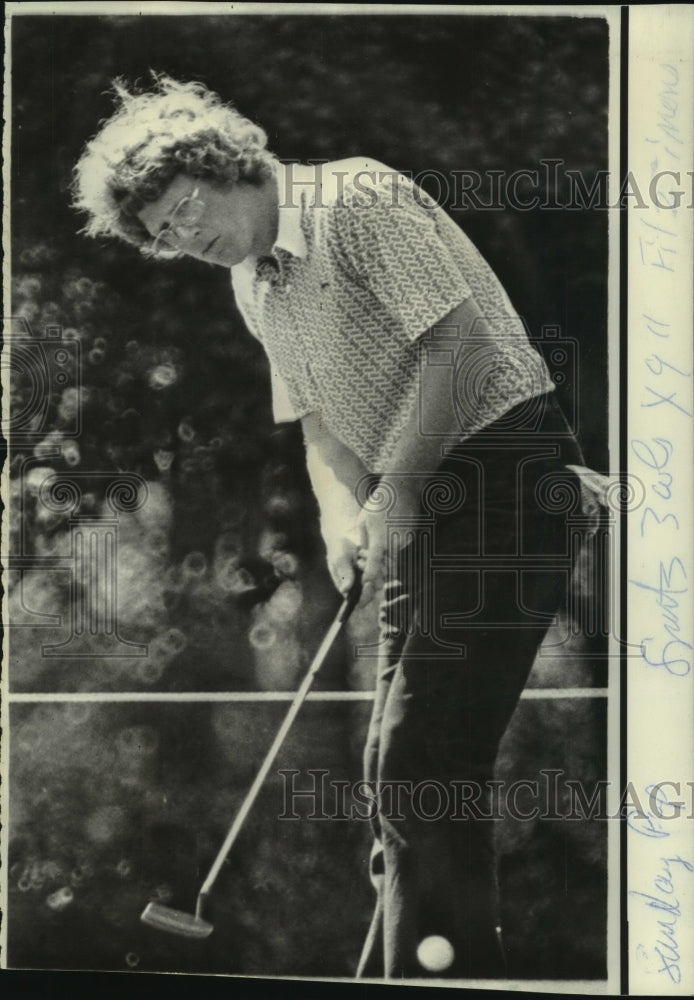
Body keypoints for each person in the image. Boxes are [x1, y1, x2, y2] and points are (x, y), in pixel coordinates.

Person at [73, 74, 589, 979]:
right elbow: (316, 418)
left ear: (227, 163)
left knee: (422, 760)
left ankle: (443, 975)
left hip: (504, 474)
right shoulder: (253, 284)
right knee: (398, 771)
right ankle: (417, 971)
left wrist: (394, 492)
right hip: (415, 493)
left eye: (184, 207)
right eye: (161, 234)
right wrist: (343, 513)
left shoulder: (357, 198)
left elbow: (458, 350)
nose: (182, 236)